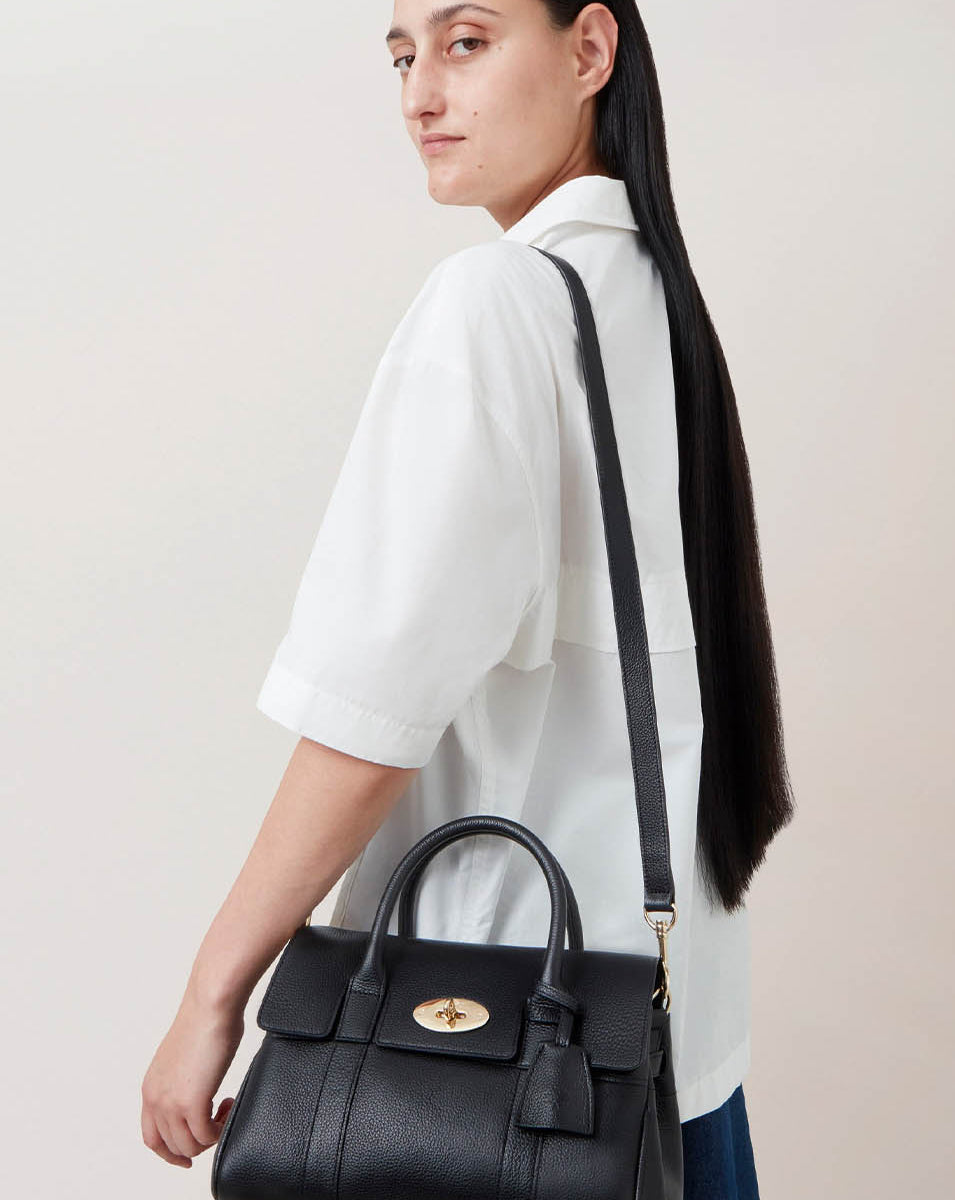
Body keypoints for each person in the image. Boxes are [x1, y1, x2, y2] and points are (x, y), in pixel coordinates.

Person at [141, 4, 793, 1197]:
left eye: (466, 42)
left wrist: (211, 991)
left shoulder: (495, 302)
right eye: (403, 56)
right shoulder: (658, 301)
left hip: (484, 1080)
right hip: (670, 1070)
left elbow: (372, 713)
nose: (419, 96)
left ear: (590, 52)